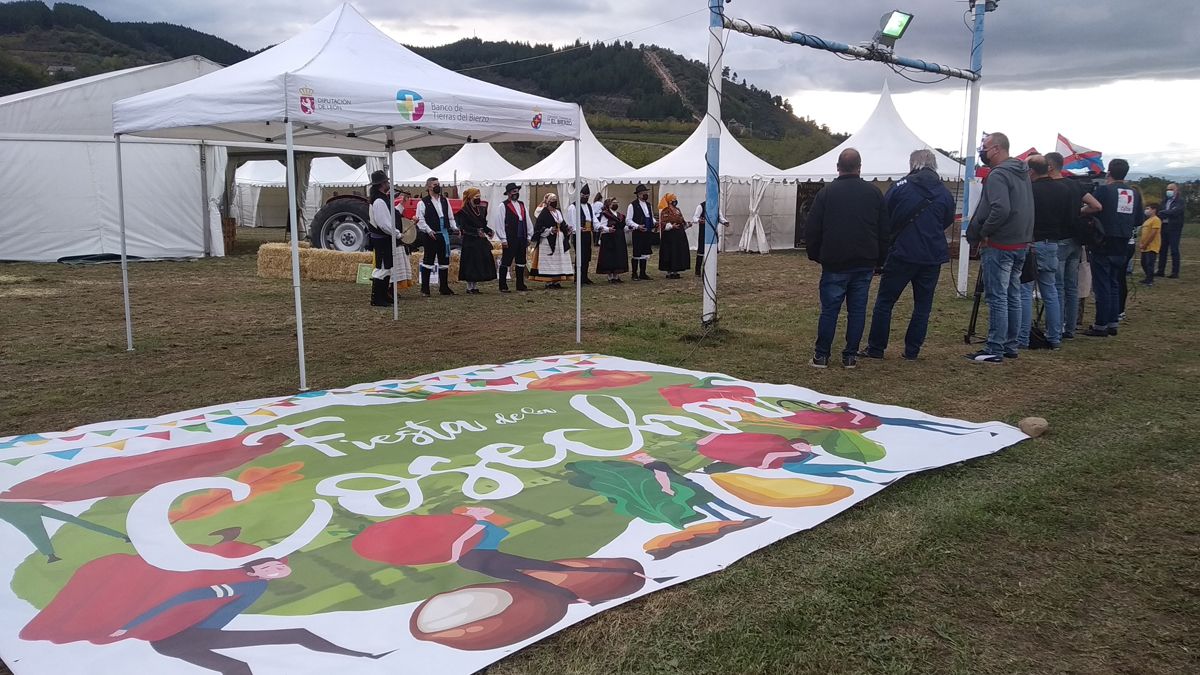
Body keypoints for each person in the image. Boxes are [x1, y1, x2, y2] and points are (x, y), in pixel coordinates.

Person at [110, 558, 386, 672]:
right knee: (296, 635)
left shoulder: (259, 584)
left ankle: (363, 656)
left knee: (237, 669)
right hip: (187, 638)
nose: (277, 569)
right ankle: (363, 655)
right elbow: (187, 596)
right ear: (253, 571)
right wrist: (130, 626)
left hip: (168, 645)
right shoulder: (250, 584)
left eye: (278, 565)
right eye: (268, 567)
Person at [862, 149, 955, 361]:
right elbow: (946, 221)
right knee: (923, 306)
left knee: (885, 302)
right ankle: (912, 351)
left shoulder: (900, 187)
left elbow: (885, 216)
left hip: (902, 253)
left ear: (913, 164)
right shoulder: (945, 192)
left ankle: (876, 348)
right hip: (932, 256)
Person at [805, 148, 888, 369]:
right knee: (857, 311)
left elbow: (812, 228)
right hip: (864, 262)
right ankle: (850, 356)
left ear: (838, 167)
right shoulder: (874, 193)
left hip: (835, 262)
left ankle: (821, 355)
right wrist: (880, 260)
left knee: (830, 310)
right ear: (860, 167)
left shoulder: (826, 193)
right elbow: (883, 230)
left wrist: (815, 254)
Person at [964, 132, 1035, 363]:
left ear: (996, 149)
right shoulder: (1022, 173)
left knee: (997, 297)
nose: (982, 151)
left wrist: (983, 232)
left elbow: (1000, 209)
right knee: (1012, 294)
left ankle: (995, 347)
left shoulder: (998, 175)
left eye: (984, 147)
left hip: (999, 243)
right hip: (1020, 242)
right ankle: (1010, 345)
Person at [1018, 155, 1072, 350]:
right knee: (1051, 291)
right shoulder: (1064, 189)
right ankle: (1055, 336)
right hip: (1053, 243)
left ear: (1031, 171)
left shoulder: (1030, 190)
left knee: (1025, 290)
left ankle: (1022, 337)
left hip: (1032, 242)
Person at [1083, 159, 1143, 337]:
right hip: (1123, 243)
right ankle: (1113, 322)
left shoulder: (1104, 190)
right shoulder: (1134, 193)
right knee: (1115, 282)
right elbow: (1139, 219)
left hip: (1103, 241)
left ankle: (1101, 324)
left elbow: (1092, 208)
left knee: (1102, 285)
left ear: (1109, 172)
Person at [1045, 152, 1102, 339]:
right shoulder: (1075, 185)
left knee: (1058, 285)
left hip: (1058, 238)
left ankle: (1057, 325)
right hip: (1075, 241)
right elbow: (1096, 206)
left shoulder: (1051, 187)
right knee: (1072, 286)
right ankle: (1070, 326)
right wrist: (1079, 211)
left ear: (1050, 166)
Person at [365, 170, 412, 307]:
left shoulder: (381, 198)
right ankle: (377, 298)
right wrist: (397, 234)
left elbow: (390, 216)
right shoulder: (379, 201)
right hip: (382, 239)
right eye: (386, 182)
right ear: (382, 184)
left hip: (384, 239)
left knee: (387, 268)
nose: (388, 184)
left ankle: (383, 296)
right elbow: (384, 224)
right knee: (382, 268)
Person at [415, 176, 459, 296]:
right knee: (428, 260)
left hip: (443, 233)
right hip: (430, 235)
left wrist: (455, 227)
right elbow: (420, 220)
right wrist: (429, 231)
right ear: (429, 187)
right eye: (435, 185)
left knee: (444, 260)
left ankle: (444, 287)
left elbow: (450, 216)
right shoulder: (422, 203)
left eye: (438, 184)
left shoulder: (445, 200)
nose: (438, 186)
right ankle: (425, 289)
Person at [454, 188, 496, 294]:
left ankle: (475, 286)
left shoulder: (481, 210)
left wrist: (488, 231)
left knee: (479, 262)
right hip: (470, 240)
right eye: (476, 197)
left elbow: (483, 224)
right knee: (470, 263)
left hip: (480, 240)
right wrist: (476, 231)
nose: (478, 199)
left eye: (479, 197)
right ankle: (469, 287)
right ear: (470, 198)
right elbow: (464, 227)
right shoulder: (463, 211)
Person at [529, 193, 574, 288]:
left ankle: (556, 281)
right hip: (547, 241)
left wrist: (566, 229)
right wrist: (549, 230)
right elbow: (538, 228)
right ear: (548, 202)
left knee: (558, 260)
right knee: (549, 260)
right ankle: (548, 281)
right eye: (552, 200)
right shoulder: (544, 213)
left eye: (555, 200)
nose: (555, 202)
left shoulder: (558, 212)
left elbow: (562, 224)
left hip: (559, 240)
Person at [496, 183, 530, 293]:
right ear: (509, 193)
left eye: (517, 191)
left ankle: (520, 284)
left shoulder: (522, 204)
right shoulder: (503, 205)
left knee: (521, 261)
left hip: (522, 236)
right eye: (513, 191)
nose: (516, 193)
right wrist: (503, 239)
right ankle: (503, 285)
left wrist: (529, 235)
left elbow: (527, 220)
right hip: (510, 237)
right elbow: (500, 223)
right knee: (506, 261)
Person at [565, 185, 596, 285]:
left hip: (587, 233)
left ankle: (585, 277)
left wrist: (601, 227)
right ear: (579, 195)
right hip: (578, 235)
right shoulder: (573, 207)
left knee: (587, 256)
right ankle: (578, 278)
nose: (585, 197)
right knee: (580, 255)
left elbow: (593, 220)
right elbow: (571, 222)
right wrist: (577, 228)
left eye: (587, 196)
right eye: (583, 195)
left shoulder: (589, 206)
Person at [595, 197, 629, 283]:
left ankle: (616, 276)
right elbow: (602, 225)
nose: (615, 204)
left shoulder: (620, 215)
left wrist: (629, 228)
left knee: (618, 256)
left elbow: (622, 226)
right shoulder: (605, 214)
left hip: (619, 237)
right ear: (609, 204)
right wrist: (608, 229)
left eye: (616, 202)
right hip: (609, 238)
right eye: (613, 202)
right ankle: (610, 277)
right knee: (610, 257)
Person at [657, 192, 690, 278]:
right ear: (669, 201)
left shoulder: (678, 210)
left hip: (679, 235)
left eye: (675, 199)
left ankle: (676, 270)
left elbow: (682, 220)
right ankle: (669, 271)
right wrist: (671, 226)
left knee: (678, 252)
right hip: (669, 236)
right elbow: (663, 223)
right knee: (670, 252)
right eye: (673, 199)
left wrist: (686, 225)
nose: (675, 201)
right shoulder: (665, 211)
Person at [693, 199, 729, 277]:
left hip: (713, 231)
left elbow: (720, 217)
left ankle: (712, 270)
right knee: (701, 251)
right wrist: (699, 220)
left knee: (713, 250)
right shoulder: (701, 206)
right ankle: (698, 271)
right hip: (704, 231)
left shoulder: (716, 207)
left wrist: (725, 222)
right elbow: (695, 218)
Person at [627, 183, 656, 280]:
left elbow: (650, 217)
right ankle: (634, 274)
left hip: (647, 231)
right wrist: (637, 226)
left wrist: (655, 223)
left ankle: (643, 273)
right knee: (637, 252)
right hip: (638, 232)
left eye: (646, 193)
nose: (645, 195)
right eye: (643, 193)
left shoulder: (648, 205)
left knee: (645, 252)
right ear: (638, 194)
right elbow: (628, 220)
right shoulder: (633, 205)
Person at [1156, 183, 1184, 278]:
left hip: (1174, 228)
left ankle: (1175, 272)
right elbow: (1159, 212)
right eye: (1168, 189)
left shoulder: (1180, 201)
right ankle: (1160, 271)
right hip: (1163, 227)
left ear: (1176, 190)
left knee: (1174, 250)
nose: (1169, 191)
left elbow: (1176, 212)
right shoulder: (1164, 201)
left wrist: (1165, 213)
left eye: (1171, 189)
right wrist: (1166, 213)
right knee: (1162, 249)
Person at [1139, 203, 1162, 286]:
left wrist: (1145, 244)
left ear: (1154, 210)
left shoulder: (1156, 220)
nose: (1146, 210)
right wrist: (1142, 243)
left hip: (1152, 246)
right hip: (1145, 246)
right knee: (1143, 262)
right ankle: (1147, 277)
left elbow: (1153, 233)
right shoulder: (1147, 220)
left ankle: (1150, 280)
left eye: (1148, 208)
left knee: (1150, 264)